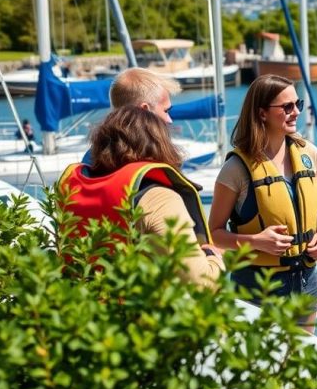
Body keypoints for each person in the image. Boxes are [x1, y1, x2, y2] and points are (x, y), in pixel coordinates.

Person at [208, 75, 317, 331]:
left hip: (307, 280)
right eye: (286, 107)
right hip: (258, 286)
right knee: (261, 368)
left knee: (301, 362)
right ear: (262, 113)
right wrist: (256, 242)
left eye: (296, 103)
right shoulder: (236, 169)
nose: (296, 111)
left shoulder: (309, 154)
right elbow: (215, 233)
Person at [57, 106, 224, 289]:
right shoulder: (158, 198)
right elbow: (199, 284)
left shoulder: (73, 188)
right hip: (134, 311)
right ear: (161, 145)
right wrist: (214, 259)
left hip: (79, 305)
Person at [81, 67, 180, 165]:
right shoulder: (154, 164)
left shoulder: (92, 157)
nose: (169, 120)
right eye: (166, 111)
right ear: (145, 110)